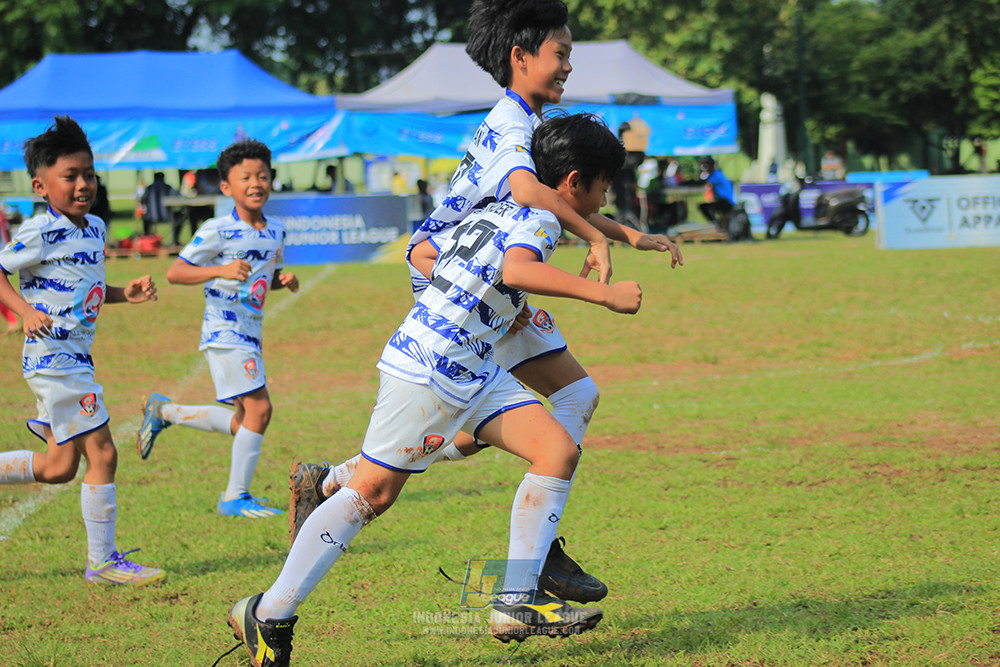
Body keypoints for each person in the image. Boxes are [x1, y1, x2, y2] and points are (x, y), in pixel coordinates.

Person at [287, 0, 681, 609]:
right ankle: (522, 549)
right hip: (457, 278)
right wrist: (600, 244)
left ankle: (523, 536)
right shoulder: (512, 123)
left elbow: (549, 196)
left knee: (568, 400)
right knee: (462, 433)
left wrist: (628, 234)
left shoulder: (528, 120)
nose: (570, 65)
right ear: (521, 58)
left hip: (485, 274)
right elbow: (531, 192)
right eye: (561, 53)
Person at [225, 113, 641, 664]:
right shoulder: (541, 219)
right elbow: (517, 270)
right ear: (573, 183)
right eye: (602, 186)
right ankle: (269, 611)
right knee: (373, 494)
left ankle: (516, 599)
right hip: (433, 370)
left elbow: (435, 256)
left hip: (466, 365)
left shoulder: (498, 205)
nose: (603, 197)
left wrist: (489, 303)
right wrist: (603, 297)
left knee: (555, 450)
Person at [0, 116, 164, 585]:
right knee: (104, 454)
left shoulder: (93, 228)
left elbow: (83, 288)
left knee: (59, 466)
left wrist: (122, 294)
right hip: (55, 360)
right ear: (40, 185)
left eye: (88, 174)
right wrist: (23, 311)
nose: (82, 184)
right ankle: (104, 562)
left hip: (74, 360)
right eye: (69, 176)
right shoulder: (39, 230)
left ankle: (103, 561)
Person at [136, 139, 299, 518]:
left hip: (251, 333)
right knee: (260, 410)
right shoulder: (218, 230)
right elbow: (176, 272)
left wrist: (281, 281)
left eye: (262, 175)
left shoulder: (276, 229)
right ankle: (234, 497)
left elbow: (263, 278)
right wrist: (219, 270)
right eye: (246, 177)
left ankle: (166, 412)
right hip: (224, 332)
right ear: (227, 187)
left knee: (245, 419)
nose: (256, 183)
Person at [698, 156, 735, 229]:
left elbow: (704, 182)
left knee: (705, 207)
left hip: (726, 202)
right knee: (708, 207)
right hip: (724, 201)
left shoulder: (716, 174)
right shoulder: (717, 173)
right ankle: (718, 224)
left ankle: (717, 225)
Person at [139, 171, 179, 237]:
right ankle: (175, 240)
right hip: (167, 215)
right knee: (179, 217)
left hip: (151, 217)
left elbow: (142, 200)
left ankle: (147, 237)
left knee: (145, 220)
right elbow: (176, 197)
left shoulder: (149, 188)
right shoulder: (167, 187)